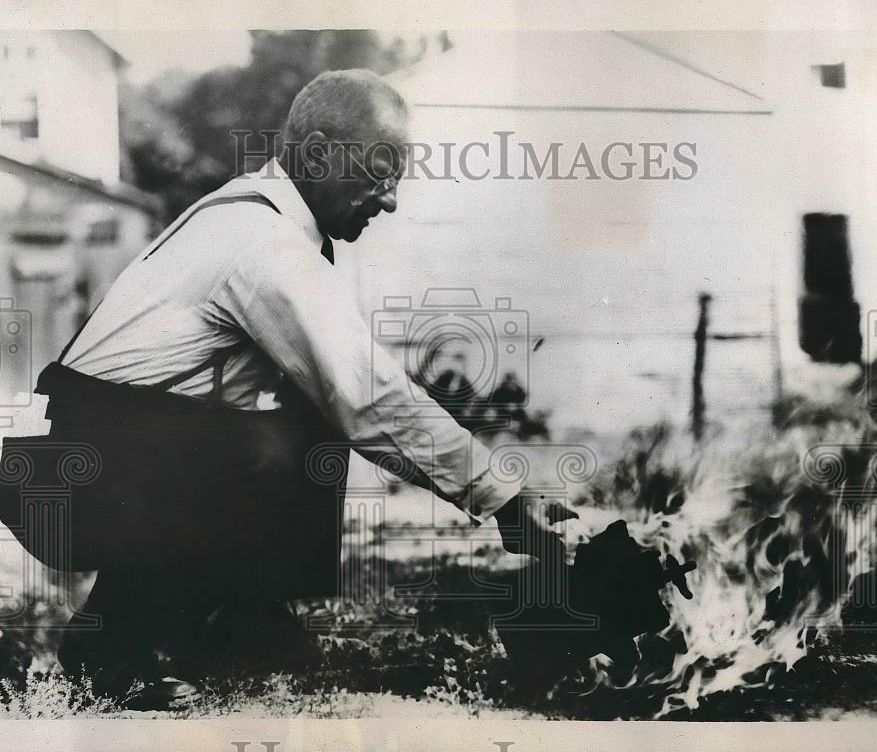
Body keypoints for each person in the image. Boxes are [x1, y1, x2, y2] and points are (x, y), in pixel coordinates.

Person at [34, 69, 576, 709]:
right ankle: (112, 656)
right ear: (317, 154)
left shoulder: (256, 212)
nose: (391, 199)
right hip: (79, 479)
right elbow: (369, 396)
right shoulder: (266, 244)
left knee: (296, 428)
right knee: (270, 449)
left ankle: (243, 619)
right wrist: (505, 500)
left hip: (98, 461)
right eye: (378, 173)